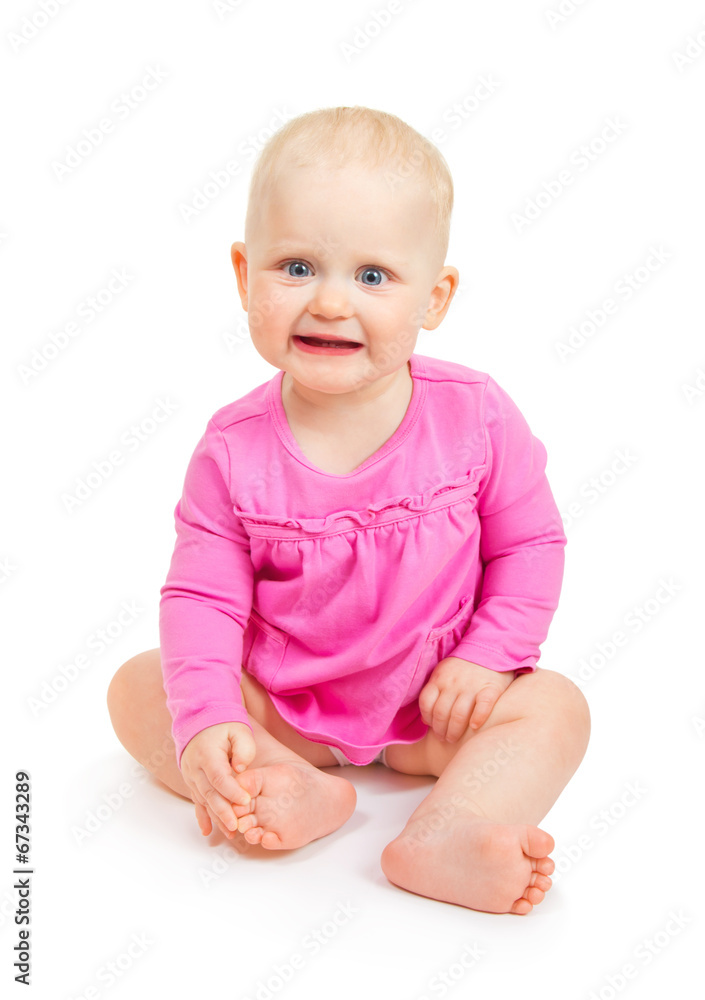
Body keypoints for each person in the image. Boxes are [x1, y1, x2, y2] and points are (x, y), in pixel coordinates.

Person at [107, 105, 590, 916]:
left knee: (555, 708)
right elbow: (202, 598)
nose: (329, 303)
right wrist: (211, 718)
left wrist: (489, 656)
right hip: (285, 705)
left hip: (436, 702)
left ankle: (449, 829)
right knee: (138, 690)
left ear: (432, 298)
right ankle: (281, 779)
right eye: (295, 267)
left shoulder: (473, 415)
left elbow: (529, 544)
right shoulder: (232, 448)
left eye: (372, 277)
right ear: (242, 274)